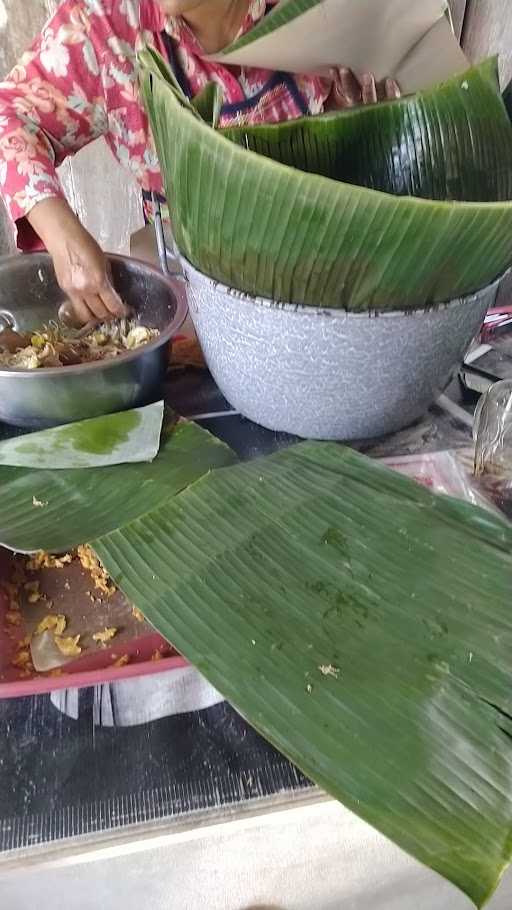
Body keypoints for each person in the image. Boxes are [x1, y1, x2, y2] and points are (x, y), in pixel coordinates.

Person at [0, 0, 399, 325]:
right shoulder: (106, 23)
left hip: (329, 290)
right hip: (192, 298)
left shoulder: (330, 10)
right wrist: (62, 237)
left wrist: (361, 126)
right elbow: (10, 117)